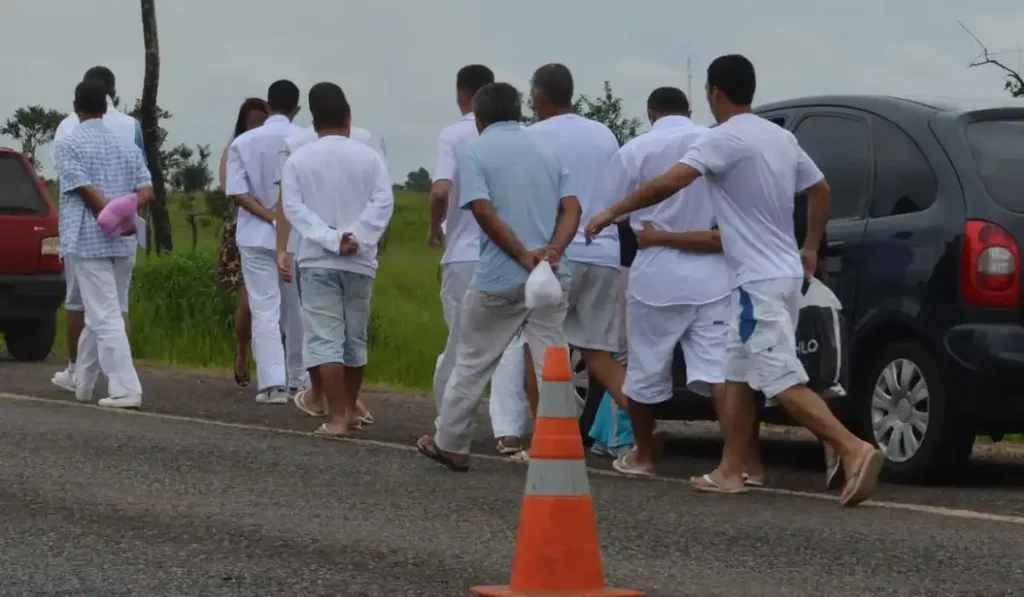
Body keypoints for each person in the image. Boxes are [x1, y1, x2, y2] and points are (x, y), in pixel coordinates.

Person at [584, 54, 883, 507]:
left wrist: (613, 211)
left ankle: (853, 447)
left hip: (755, 283)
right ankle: (731, 470)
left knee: (779, 378)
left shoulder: (723, 140)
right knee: (737, 374)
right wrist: (808, 245)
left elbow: (670, 183)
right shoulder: (780, 137)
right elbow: (820, 189)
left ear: (715, 93)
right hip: (780, 276)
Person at [416, 82, 582, 472]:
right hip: (552, 274)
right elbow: (572, 208)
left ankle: (452, 444)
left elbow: (483, 211)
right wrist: (552, 250)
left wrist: (522, 254)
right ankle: (560, 449)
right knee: (552, 361)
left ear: (479, 118)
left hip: (499, 277)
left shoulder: (477, 151)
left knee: (473, 361)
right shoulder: (547, 148)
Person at [601, 87, 736, 479]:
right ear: (689, 110)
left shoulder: (634, 151)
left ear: (650, 113)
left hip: (656, 272)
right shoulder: (714, 142)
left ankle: (645, 455)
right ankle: (735, 460)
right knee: (718, 373)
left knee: (644, 369)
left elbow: (617, 212)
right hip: (712, 271)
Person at [280, 82, 394, 437]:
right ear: (348, 118)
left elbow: (293, 209)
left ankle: (339, 416)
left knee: (324, 338)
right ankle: (352, 410)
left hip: (317, 258)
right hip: (360, 259)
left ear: (314, 123)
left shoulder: (299, 159)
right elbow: (384, 202)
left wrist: (331, 238)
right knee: (354, 338)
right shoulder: (369, 156)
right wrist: (356, 236)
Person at [429, 64, 531, 456]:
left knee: (461, 344)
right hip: (512, 252)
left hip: (464, 253)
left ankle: (448, 425)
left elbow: (440, 190)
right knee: (508, 344)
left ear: (463, 97)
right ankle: (507, 430)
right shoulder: (523, 139)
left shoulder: (454, 134)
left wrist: (434, 227)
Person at [526, 64, 627, 411]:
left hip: (558, 255)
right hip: (605, 254)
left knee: (540, 346)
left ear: (539, 96)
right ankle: (643, 429)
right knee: (598, 353)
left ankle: (545, 435)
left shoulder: (534, 136)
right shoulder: (604, 135)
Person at [52, 79, 152, 409]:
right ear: (106, 105)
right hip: (124, 242)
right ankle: (83, 381)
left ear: (76, 106)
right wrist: (126, 213)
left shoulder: (70, 143)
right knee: (101, 313)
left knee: (104, 315)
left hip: (88, 240)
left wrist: (107, 212)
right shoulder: (125, 144)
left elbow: (84, 190)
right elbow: (146, 189)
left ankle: (126, 387)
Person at [225, 80, 304, 404]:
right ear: (297, 109)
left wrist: (269, 217)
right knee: (296, 309)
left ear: (268, 107)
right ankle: (299, 379)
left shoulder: (243, 142)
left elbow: (236, 192)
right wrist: (283, 218)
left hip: (255, 236)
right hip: (297, 235)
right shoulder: (305, 140)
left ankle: (273, 384)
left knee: (264, 308)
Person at [216, 97, 268, 388]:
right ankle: (242, 349)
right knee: (249, 303)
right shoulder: (233, 150)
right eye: (253, 121)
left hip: (279, 231)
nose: (258, 126)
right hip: (244, 231)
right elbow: (229, 188)